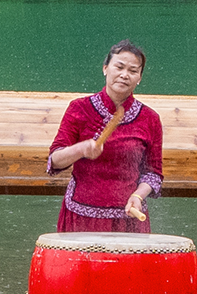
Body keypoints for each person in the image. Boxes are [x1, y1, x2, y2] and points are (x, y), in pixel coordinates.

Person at [43, 43, 169, 231]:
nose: (124, 75)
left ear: (139, 78)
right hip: (81, 218)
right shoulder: (79, 108)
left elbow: (153, 174)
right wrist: (80, 149)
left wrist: (138, 196)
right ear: (105, 69)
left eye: (133, 71)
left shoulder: (150, 118)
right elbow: (54, 161)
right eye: (119, 67)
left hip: (128, 219)